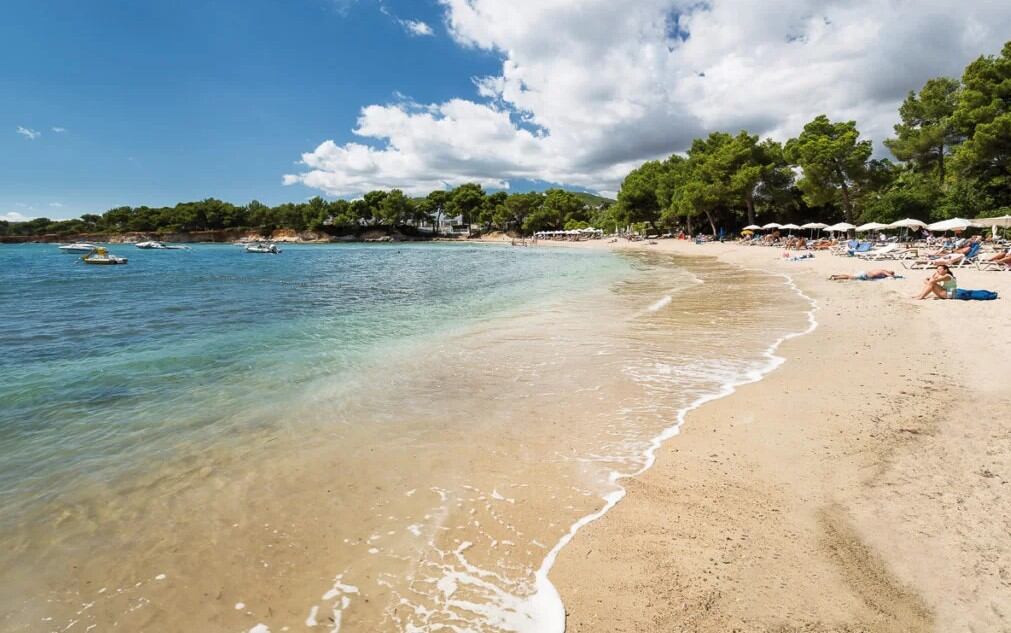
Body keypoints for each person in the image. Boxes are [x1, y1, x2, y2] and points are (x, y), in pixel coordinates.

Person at [829, 269, 897, 281]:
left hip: (864, 273)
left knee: (850, 276)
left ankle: (836, 275)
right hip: (865, 275)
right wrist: (894, 276)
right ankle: (836, 278)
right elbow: (890, 276)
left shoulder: (880, 269)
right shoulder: (884, 271)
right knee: (850, 277)